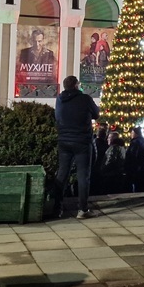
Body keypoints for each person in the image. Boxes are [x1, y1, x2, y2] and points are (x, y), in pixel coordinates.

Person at [53, 76, 99, 219]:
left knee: (62, 174)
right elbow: (96, 114)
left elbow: (57, 117)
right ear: (76, 85)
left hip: (64, 142)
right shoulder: (85, 99)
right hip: (82, 142)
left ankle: (57, 208)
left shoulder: (60, 99)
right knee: (83, 176)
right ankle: (83, 210)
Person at [125, 127, 144, 192]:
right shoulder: (143, 141)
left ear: (136, 133)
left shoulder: (135, 142)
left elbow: (133, 154)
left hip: (134, 165)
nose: (131, 134)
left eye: (132, 133)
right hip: (141, 165)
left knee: (134, 182)